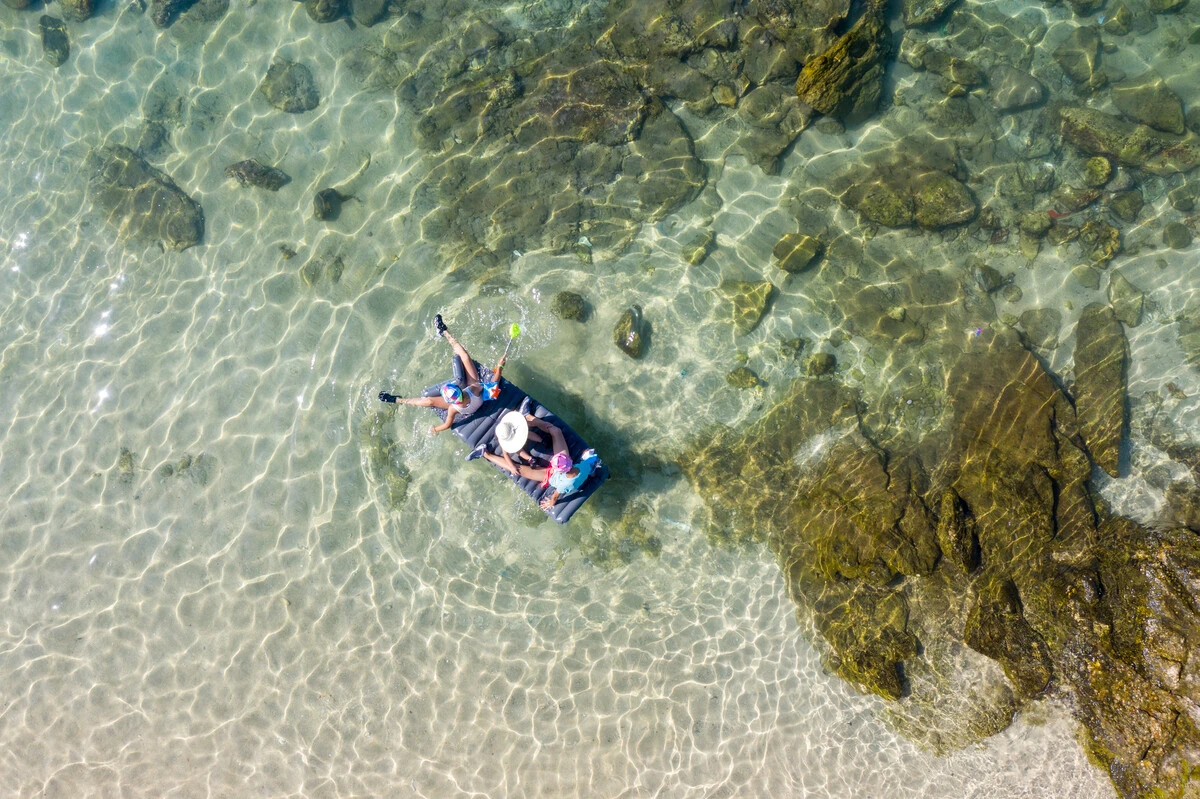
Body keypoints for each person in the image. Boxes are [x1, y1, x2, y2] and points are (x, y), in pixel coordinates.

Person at [378, 314, 505, 433]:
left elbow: (447, 425)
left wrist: (434, 430)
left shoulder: (453, 409)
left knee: (428, 401)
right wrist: (499, 366)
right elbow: (494, 383)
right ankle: (444, 332)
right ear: (459, 390)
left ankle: (397, 400)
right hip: (473, 399)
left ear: (450, 401)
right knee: (465, 356)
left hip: (468, 405)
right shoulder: (474, 388)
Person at [469, 411, 601, 510]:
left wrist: (551, 502)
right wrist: (594, 473)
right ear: (569, 461)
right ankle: (530, 417)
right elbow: (590, 467)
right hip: (568, 470)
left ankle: (486, 454)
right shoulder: (585, 466)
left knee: (517, 469)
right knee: (556, 431)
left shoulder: (563, 485)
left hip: (551, 477)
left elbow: (555, 496)